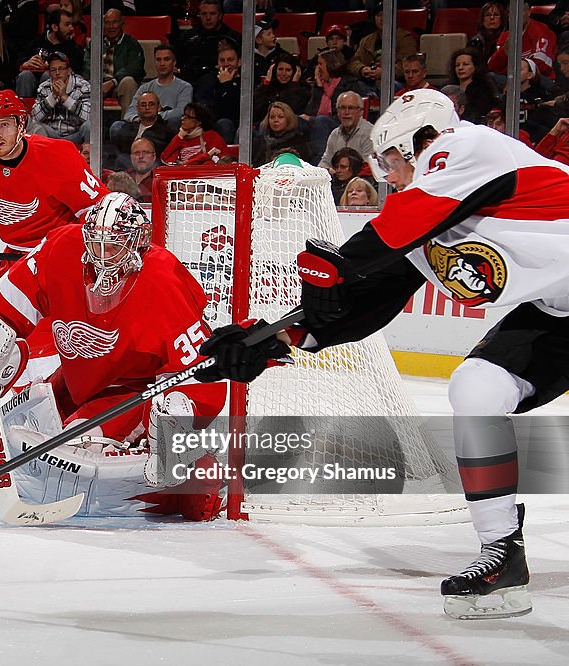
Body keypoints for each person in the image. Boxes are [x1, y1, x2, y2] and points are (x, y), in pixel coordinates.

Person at [198, 89, 568, 620]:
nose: (390, 177)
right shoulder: (428, 226)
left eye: (392, 161)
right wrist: (272, 340)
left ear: (421, 143)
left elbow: (388, 233)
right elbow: (367, 306)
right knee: (476, 388)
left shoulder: (470, 148)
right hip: (557, 314)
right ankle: (502, 555)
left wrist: (338, 264)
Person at [0, 193, 228, 520]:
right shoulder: (63, 247)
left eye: (112, 245)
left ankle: (198, 471)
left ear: (136, 242)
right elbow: (9, 303)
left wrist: (176, 418)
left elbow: (196, 368)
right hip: (76, 379)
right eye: (95, 243)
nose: (101, 255)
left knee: (82, 455)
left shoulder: (163, 279)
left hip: (131, 390)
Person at [0, 89, 108, 276]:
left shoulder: (57, 156)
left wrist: (93, 247)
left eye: (4, 124)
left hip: (59, 255)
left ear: (20, 124)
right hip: (14, 257)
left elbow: (98, 208)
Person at [81, 8, 144, 117]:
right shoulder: (95, 43)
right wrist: (95, 84)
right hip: (96, 84)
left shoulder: (131, 44)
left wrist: (112, 82)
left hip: (118, 85)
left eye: (114, 22)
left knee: (128, 82)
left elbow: (135, 68)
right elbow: (87, 66)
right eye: (107, 23)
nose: (111, 26)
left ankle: (127, 124)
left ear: (121, 23)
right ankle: (86, 128)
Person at [27, 51, 91, 145]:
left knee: (90, 126)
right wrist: (53, 97)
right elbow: (35, 118)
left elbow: (89, 116)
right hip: (51, 135)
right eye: (53, 70)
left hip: (76, 134)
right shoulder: (44, 87)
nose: (57, 73)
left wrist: (65, 98)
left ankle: (88, 158)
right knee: (36, 126)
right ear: (49, 73)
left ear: (69, 70)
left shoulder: (83, 86)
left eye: (61, 69)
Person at [318, 91, 374, 169]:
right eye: (342, 108)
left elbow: (368, 167)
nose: (346, 112)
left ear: (361, 112)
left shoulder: (370, 133)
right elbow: (325, 161)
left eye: (351, 108)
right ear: (338, 112)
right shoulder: (334, 134)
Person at [161, 101, 227, 166]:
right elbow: (164, 159)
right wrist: (179, 137)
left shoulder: (211, 136)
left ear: (199, 122)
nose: (182, 118)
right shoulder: (180, 138)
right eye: (183, 115)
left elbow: (222, 161)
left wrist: (188, 163)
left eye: (188, 117)